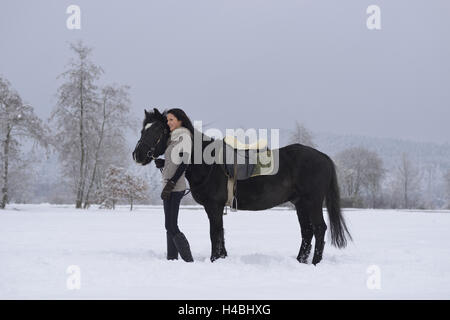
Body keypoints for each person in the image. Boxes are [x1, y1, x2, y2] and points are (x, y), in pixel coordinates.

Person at [154, 108, 195, 262]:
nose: (168, 122)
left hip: (175, 187)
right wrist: (162, 163)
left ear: (180, 121)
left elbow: (185, 163)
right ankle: (172, 258)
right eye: (168, 120)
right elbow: (175, 161)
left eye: (172, 119)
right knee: (168, 225)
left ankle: (188, 259)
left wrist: (171, 183)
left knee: (171, 225)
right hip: (168, 184)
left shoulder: (185, 137)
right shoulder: (173, 138)